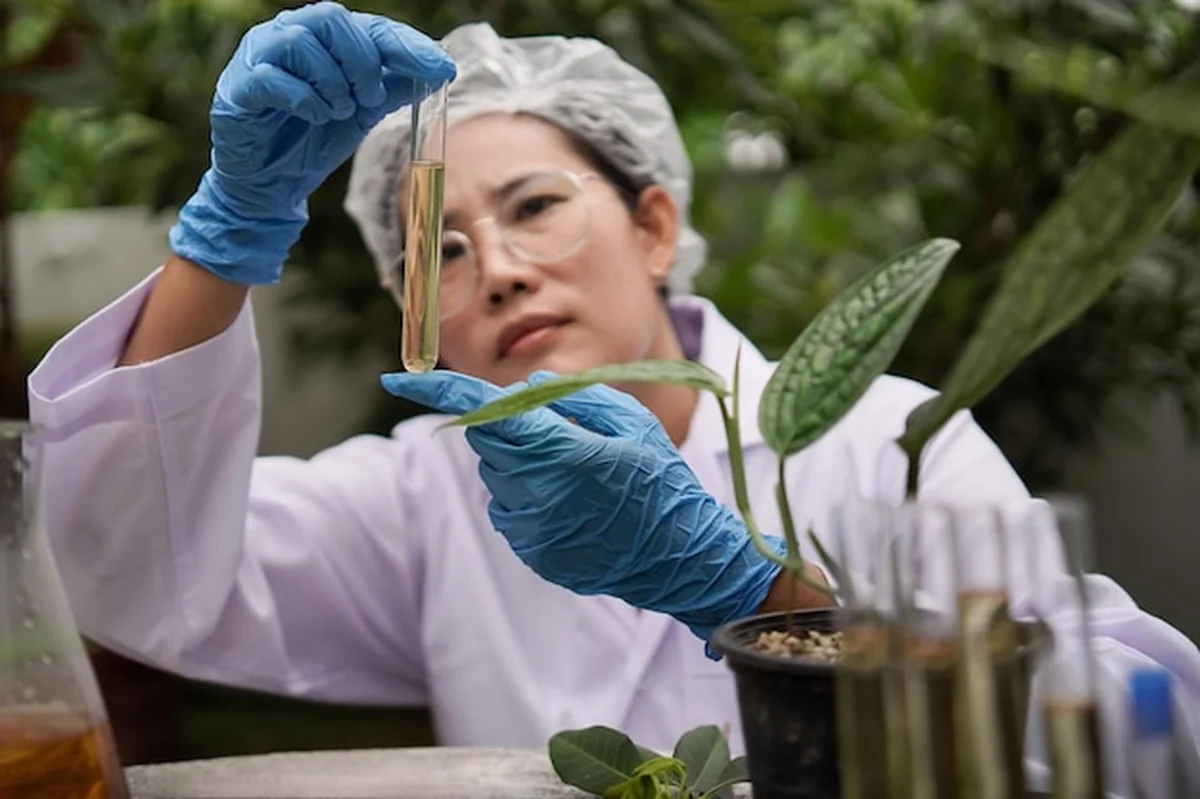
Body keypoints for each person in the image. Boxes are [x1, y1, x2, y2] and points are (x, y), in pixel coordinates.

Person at [23, 2, 1198, 793]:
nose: (499, 268)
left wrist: (758, 593)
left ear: (655, 227)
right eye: (443, 250)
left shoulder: (883, 435)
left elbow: (1149, 732)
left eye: (535, 206)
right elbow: (127, 564)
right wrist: (227, 235)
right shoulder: (428, 492)